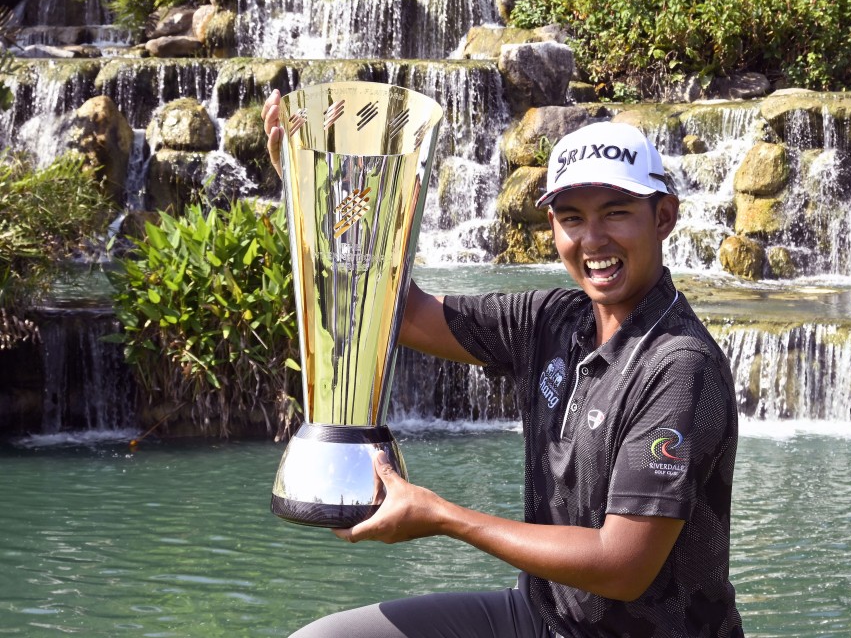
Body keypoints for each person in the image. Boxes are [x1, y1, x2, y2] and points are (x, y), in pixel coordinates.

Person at [262, 90, 743, 638]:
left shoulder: (680, 366)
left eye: (616, 213)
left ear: (664, 217)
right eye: (571, 218)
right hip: (537, 619)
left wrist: (444, 518)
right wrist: (317, 195)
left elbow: (623, 565)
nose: (592, 239)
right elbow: (403, 310)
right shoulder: (553, 318)